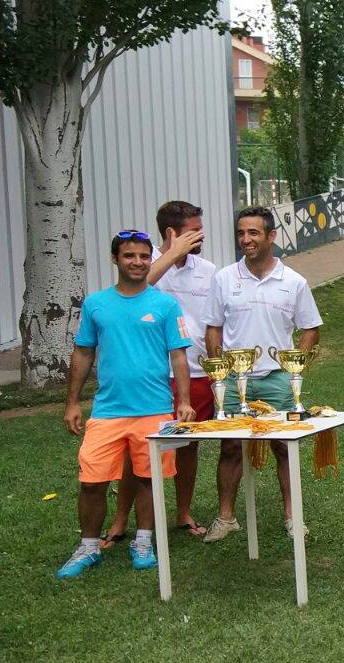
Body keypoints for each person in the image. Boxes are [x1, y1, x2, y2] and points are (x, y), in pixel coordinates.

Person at [58, 230, 195, 579]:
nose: (137, 262)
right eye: (129, 256)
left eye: (144, 256)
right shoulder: (96, 304)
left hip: (155, 410)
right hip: (108, 411)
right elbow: (83, 353)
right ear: (115, 259)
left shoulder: (165, 305)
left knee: (150, 480)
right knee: (91, 481)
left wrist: (184, 401)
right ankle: (88, 548)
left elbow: (178, 356)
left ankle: (143, 543)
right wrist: (72, 402)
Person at [103, 199, 220, 545]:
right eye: (193, 231)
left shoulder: (208, 270)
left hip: (196, 372)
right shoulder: (143, 262)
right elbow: (136, 291)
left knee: (188, 446)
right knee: (136, 450)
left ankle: (183, 513)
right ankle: (120, 521)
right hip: (152, 374)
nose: (201, 236)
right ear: (172, 233)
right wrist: (170, 256)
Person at [202, 206, 322, 541]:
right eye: (241, 233)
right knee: (230, 447)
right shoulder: (224, 278)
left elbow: (311, 328)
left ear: (271, 236)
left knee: (284, 447)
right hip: (232, 381)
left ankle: (293, 517)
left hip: (277, 380)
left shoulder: (294, 282)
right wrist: (218, 373)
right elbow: (213, 327)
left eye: (253, 233)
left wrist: (294, 366)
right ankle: (226, 518)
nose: (246, 239)